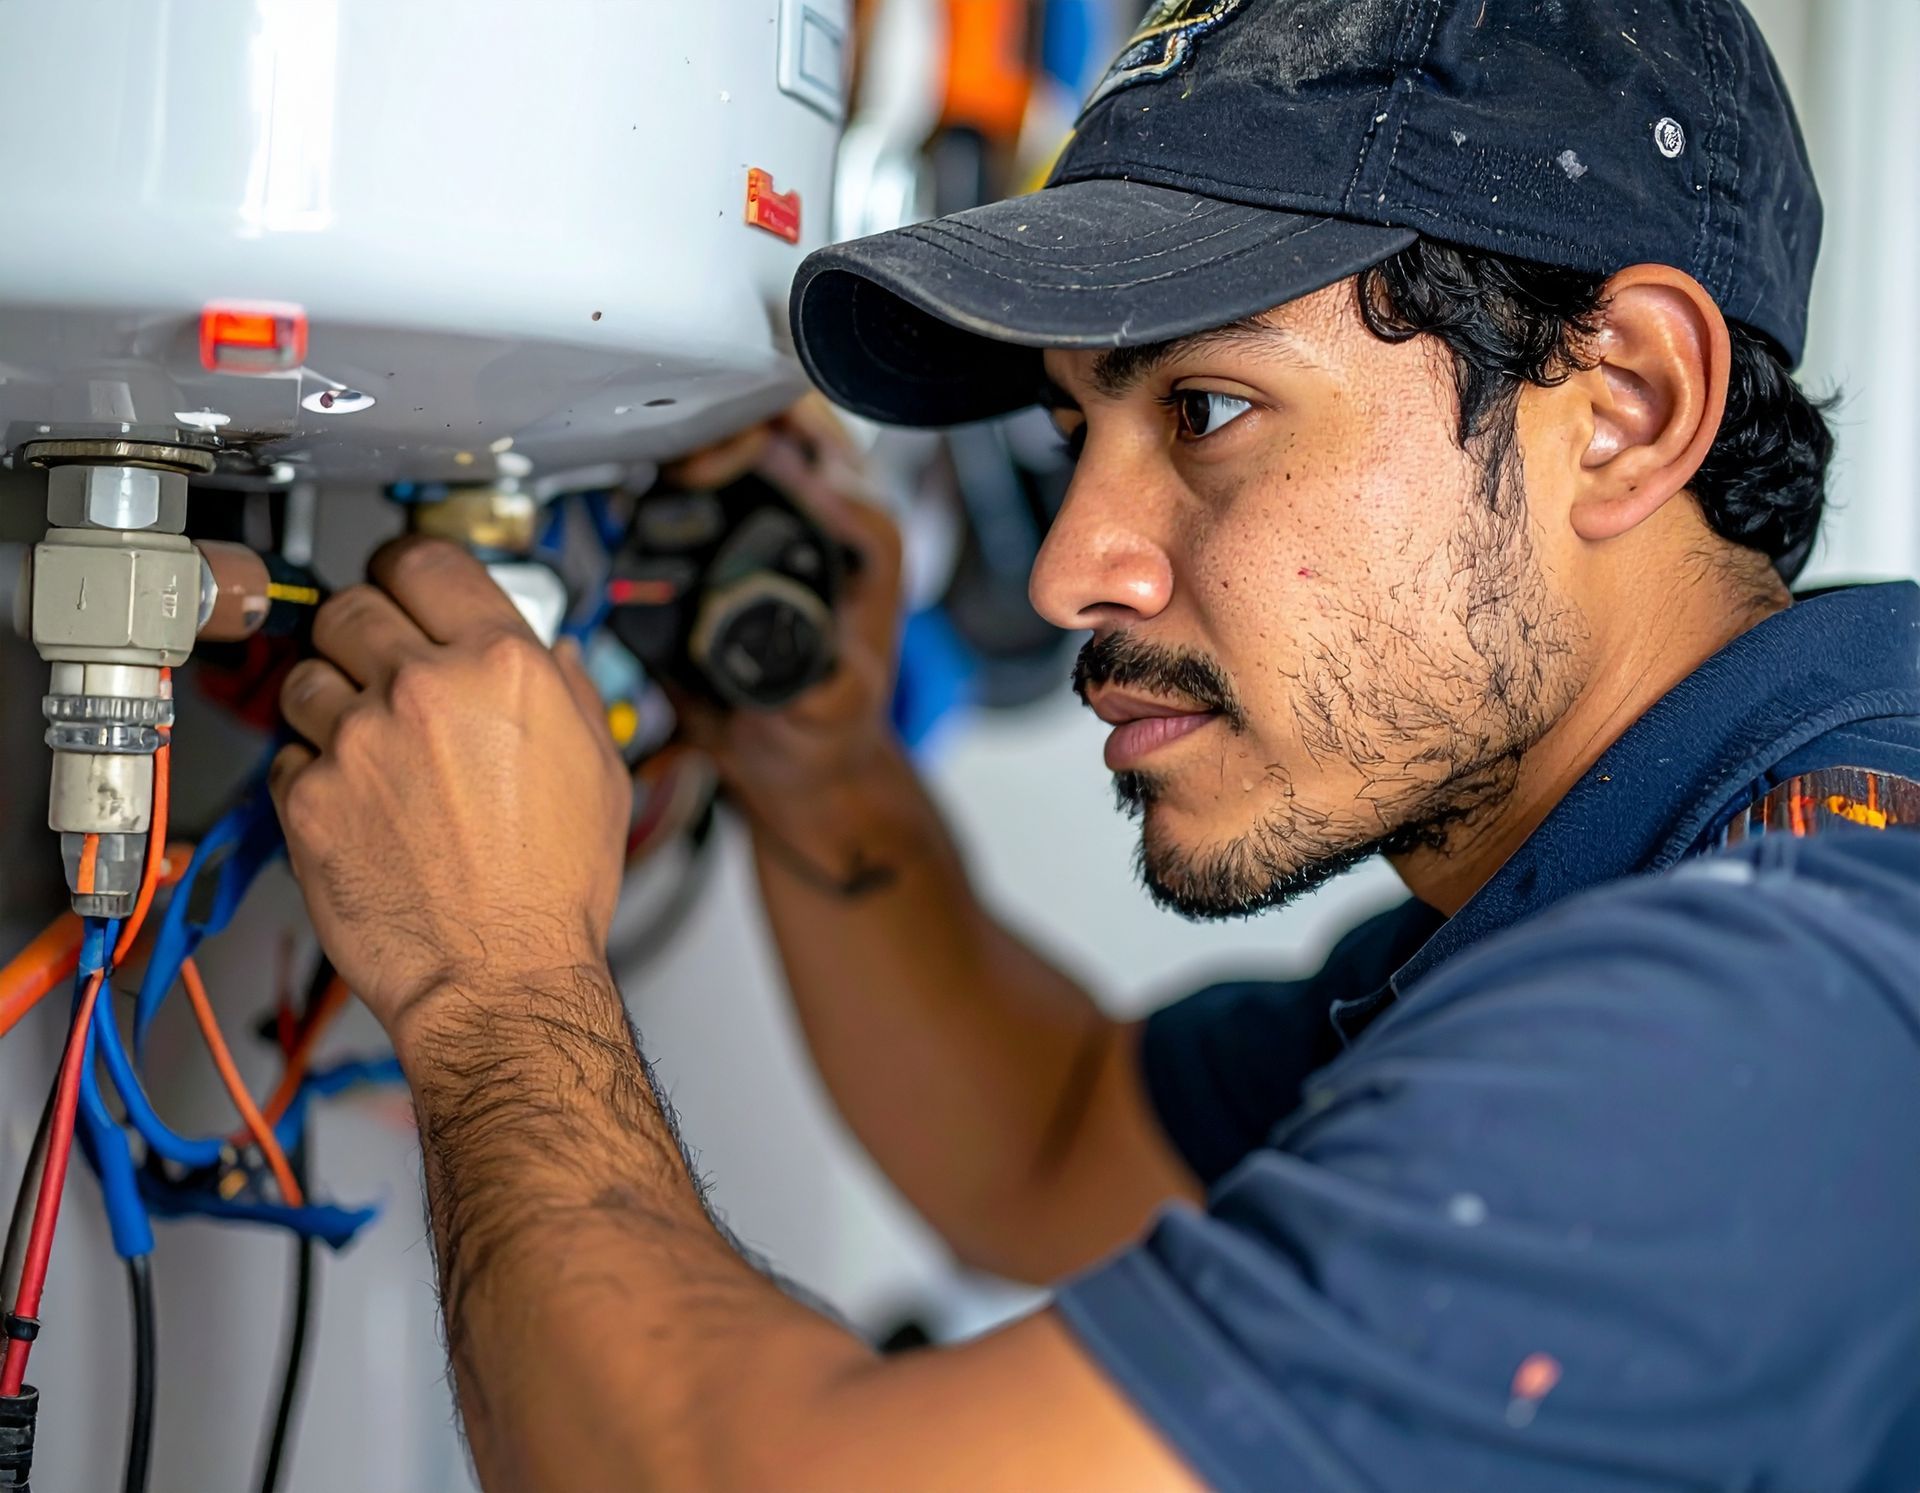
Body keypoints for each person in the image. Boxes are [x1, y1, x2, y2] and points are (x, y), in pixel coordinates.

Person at [267, 0, 1920, 1488]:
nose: (1072, 567)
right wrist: (820, 765)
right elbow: (1049, 1144)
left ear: (1624, 399)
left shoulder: (1774, 1013)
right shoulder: (1624, 868)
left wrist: (492, 986)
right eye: (1075, 429)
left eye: (1204, 409)